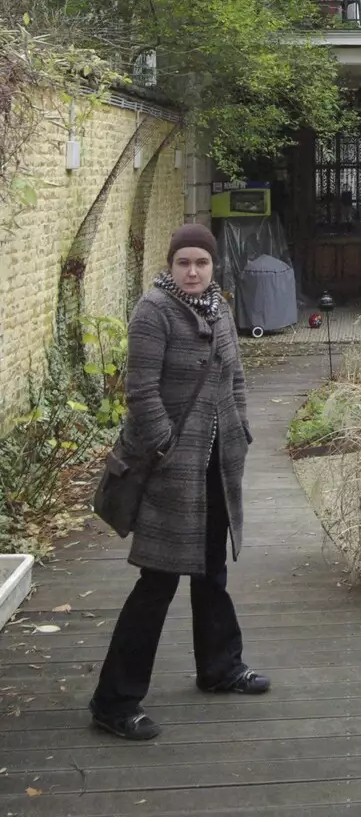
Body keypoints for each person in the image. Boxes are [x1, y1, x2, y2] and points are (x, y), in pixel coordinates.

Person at [88, 224, 270, 741]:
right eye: (183, 263)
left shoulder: (220, 307)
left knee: (211, 570)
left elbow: (234, 376)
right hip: (170, 468)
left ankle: (220, 667)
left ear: (213, 267)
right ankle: (114, 700)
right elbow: (140, 392)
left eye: (202, 263)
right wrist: (165, 444)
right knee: (158, 580)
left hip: (215, 464)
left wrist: (242, 427)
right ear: (170, 265)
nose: (192, 271)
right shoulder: (153, 311)